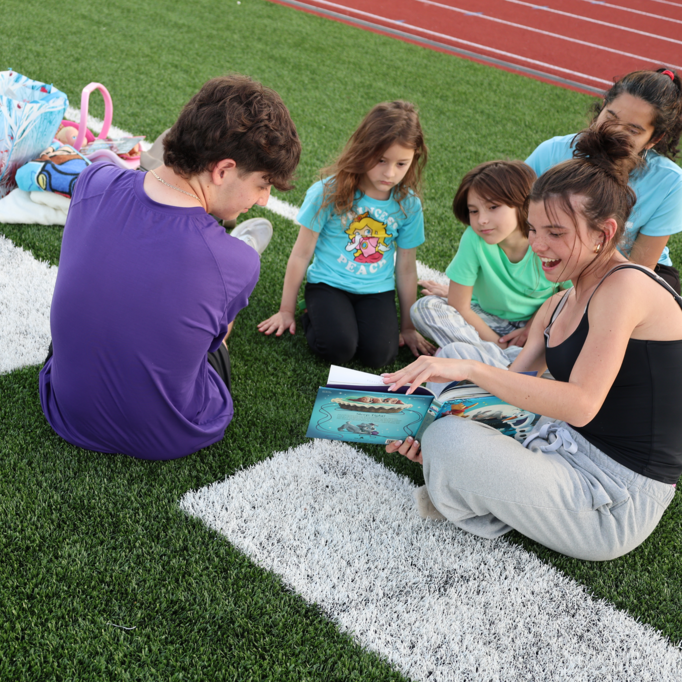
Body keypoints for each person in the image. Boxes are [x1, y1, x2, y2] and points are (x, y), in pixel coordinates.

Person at [382, 124, 682, 561]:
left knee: (453, 428)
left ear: (604, 232)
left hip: (613, 493)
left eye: (556, 233)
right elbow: (514, 384)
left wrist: (462, 392)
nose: (540, 245)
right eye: (535, 229)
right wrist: (423, 423)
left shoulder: (627, 287)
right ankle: (469, 476)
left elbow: (581, 404)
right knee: (445, 380)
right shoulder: (560, 302)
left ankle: (475, 492)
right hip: (557, 438)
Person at [39, 75, 301, 460]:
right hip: (169, 434)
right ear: (223, 170)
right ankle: (228, 248)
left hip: (67, 410)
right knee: (214, 328)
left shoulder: (94, 180)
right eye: (264, 184)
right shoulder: (239, 264)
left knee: (102, 311)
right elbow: (208, 344)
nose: (263, 199)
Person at [258, 101, 435, 367]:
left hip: (377, 291)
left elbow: (407, 268)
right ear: (364, 149)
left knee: (380, 356)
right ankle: (312, 313)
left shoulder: (408, 205)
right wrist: (286, 310)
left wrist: (408, 327)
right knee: (338, 348)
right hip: (328, 285)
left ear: (414, 160)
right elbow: (301, 253)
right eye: (381, 160)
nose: (390, 172)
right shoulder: (328, 192)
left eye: (401, 164)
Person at [526, 67, 682, 293]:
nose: (614, 131)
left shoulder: (670, 183)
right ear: (601, 109)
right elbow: (513, 216)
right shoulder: (552, 152)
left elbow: (638, 269)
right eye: (611, 117)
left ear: (654, 139)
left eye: (633, 130)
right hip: (559, 258)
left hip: (630, 272)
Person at [412, 161, 560, 368]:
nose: (481, 220)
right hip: (486, 320)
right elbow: (460, 306)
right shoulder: (474, 239)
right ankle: (507, 366)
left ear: (523, 203)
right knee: (424, 308)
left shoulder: (550, 241)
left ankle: (477, 359)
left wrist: (534, 326)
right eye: (474, 211)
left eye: (493, 207)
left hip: (538, 327)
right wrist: (501, 349)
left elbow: (570, 297)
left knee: (573, 332)